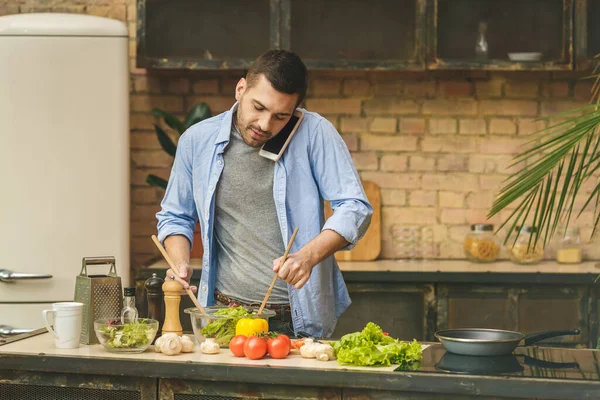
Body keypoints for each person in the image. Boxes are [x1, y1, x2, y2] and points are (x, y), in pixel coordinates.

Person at [156, 50, 372, 338]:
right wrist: (180, 261)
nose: (264, 125)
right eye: (258, 107)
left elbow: (354, 207)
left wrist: (307, 257)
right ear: (240, 89)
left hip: (295, 321)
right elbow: (175, 216)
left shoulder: (315, 133)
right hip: (223, 315)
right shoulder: (196, 141)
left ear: (295, 111)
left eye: (280, 116)